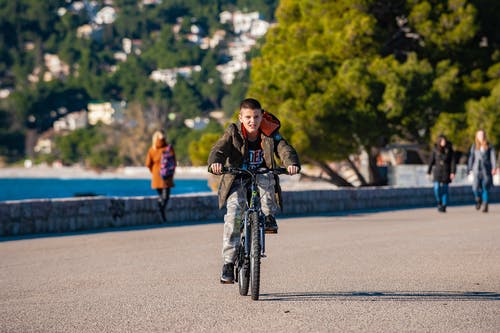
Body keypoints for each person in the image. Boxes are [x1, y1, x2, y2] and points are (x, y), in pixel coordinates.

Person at [208, 98, 300, 284]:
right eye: (248, 117)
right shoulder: (233, 131)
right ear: (240, 117)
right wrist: (215, 162)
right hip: (238, 177)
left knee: (267, 178)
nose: (253, 121)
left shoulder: (270, 132)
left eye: (256, 117)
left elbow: (284, 149)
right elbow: (219, 148)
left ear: (261, 116)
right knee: (233, 214)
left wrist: (291, 163)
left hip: (261, 175)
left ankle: (267, 217)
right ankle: (228, 263)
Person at [146, 130, 176, 222]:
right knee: (165, 197)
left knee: (161, 196)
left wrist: (154, 171)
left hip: (156, 175)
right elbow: (174, 162)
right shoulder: (168, 148)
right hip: (166, 176)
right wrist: (171, 172)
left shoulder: (152, 149)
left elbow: (148, 163)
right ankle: (161, 211)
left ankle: (161, 211)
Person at [467, 129, 497, 213]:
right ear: (476, 136)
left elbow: (493, 157)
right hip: (476, 170)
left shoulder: (489, 146)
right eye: (479, 135)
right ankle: (478, 198)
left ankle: (485, 204)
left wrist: (494, 168)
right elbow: (471, 158)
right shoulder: (474, 146)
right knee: (475, 188)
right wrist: (469, 168)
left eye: (482, 134)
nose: (481, 136)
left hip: (486, 170)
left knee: (485, 187)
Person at [427, 134, 456, 212]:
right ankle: (439, 201)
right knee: (436, 188)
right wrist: (428, 172)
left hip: (446, 171)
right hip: (437, 171)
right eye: (442, 141)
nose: (444, 142)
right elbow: (431, 161)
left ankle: (444, 204)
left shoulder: (449, 149)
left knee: (445, 189)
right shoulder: (435, 149)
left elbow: (453, 162)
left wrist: (453, 172)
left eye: (444, 141)